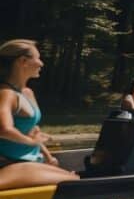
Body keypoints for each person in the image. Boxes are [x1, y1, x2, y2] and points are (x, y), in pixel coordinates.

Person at [0, 39, 78, 190]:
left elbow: (32, 131)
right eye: (37, 58)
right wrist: (32, 142)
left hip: (29, 162)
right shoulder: (5, 94)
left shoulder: (28, 93)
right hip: (9, 164)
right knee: (72, 182)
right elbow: (4, 129)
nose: (41, 63)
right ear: (23, 61)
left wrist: (49, 157)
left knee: (74, 178)